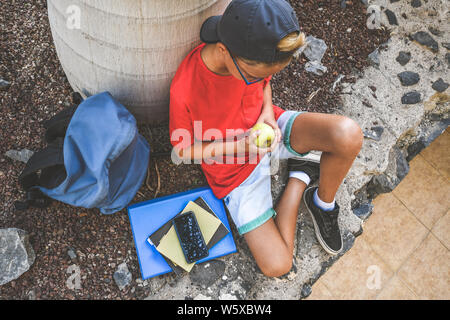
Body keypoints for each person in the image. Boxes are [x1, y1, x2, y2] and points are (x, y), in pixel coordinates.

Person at [169, 0, 363, 277]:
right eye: (253, 77)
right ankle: (300, 176)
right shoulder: (185, 87)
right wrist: (241, 145)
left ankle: (323, 203)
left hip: (270, 130)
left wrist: (268, 116)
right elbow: (181, 150)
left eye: (269, 74)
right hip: (235, 173)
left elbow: (264, 83)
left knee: (349, 135)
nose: (260, 80)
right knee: (278, 265)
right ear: (224, 51)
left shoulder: (249, 56)